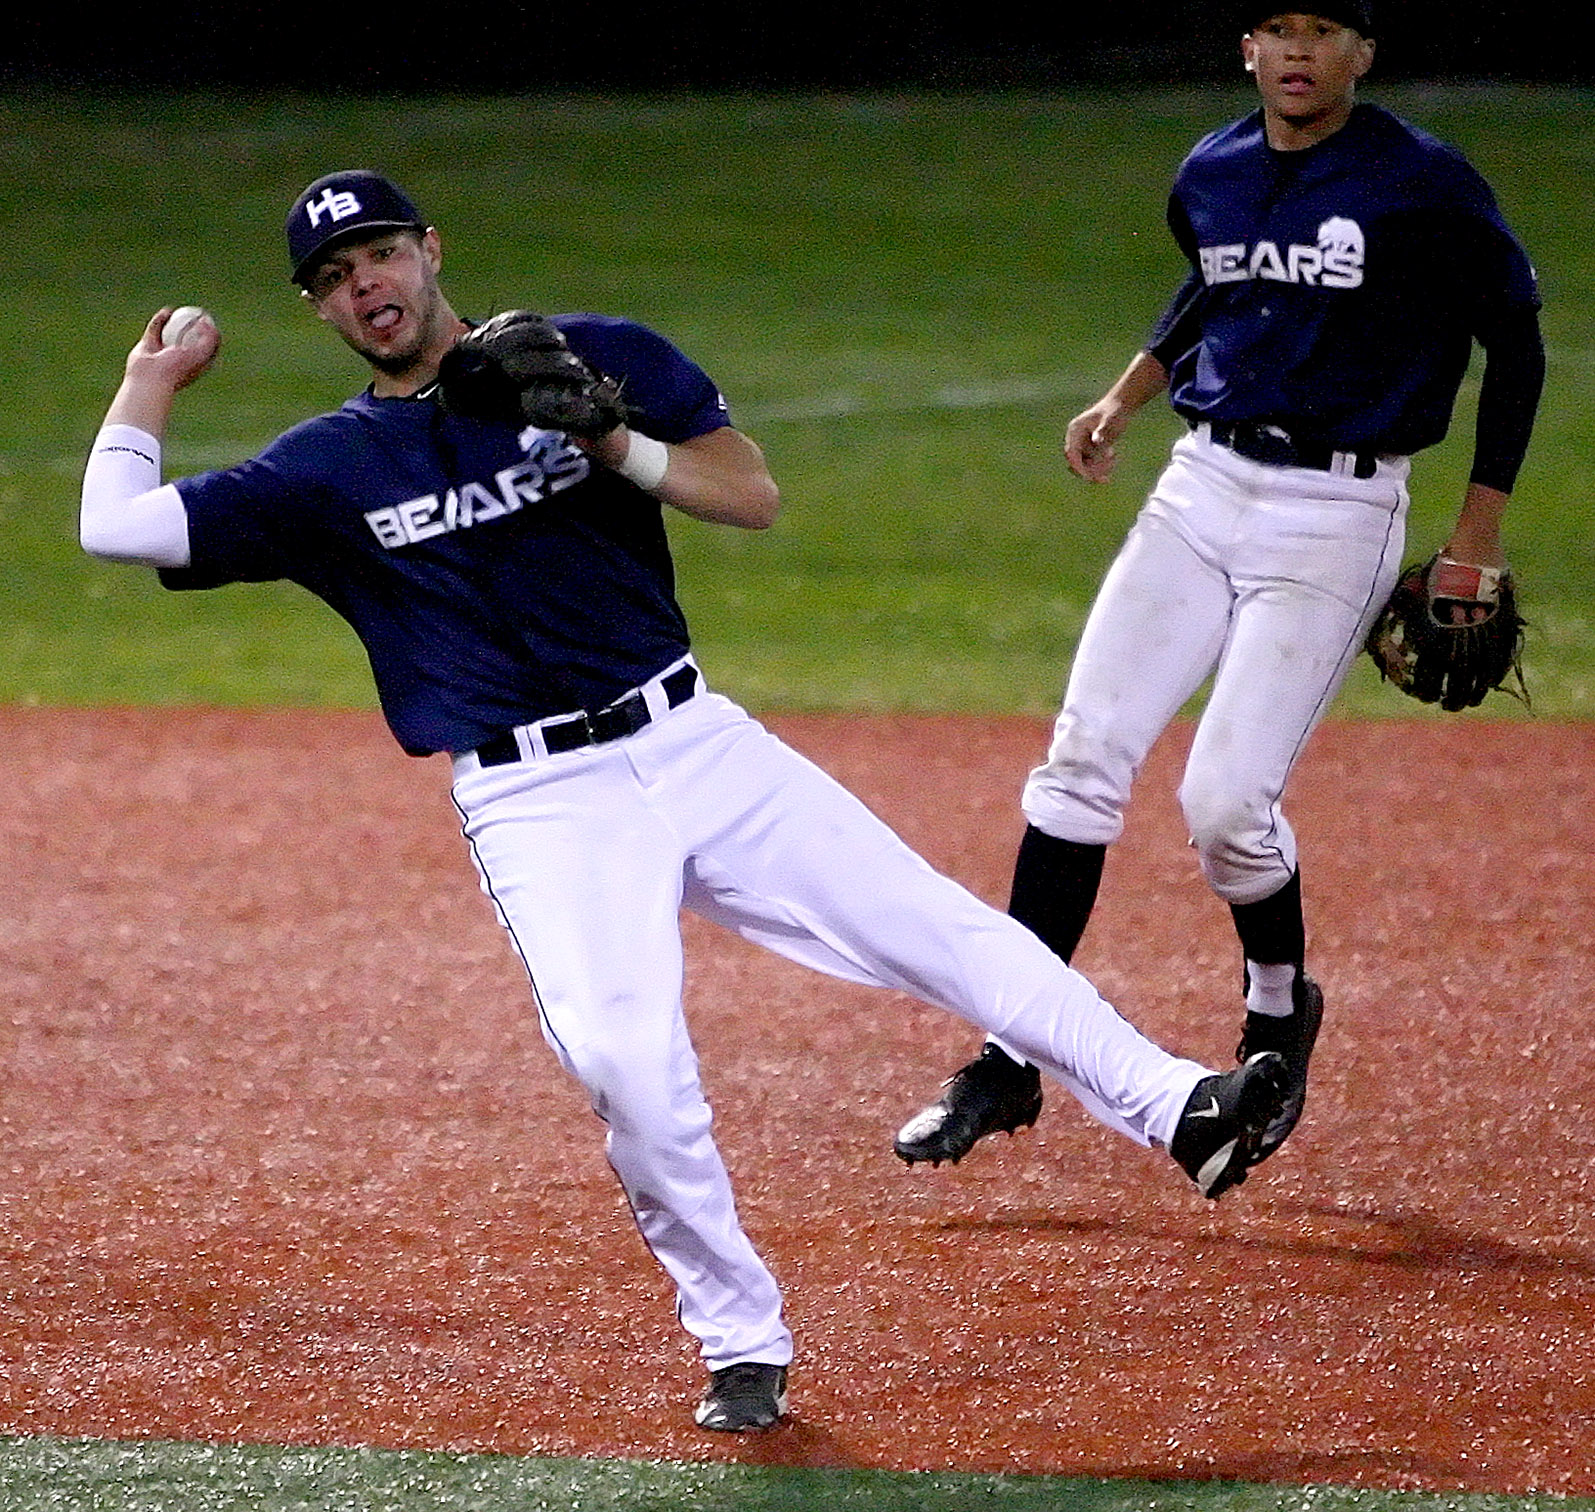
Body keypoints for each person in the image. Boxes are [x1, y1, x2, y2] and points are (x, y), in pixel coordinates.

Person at [80, 169, 1290, 1434]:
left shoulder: (587, 357)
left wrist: (612, 440)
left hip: (696, 736)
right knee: (621, 1061)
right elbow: (114, 527)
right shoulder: (325, 469)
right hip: (539, 798)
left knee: (939, 926)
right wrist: (150, 385)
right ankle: (739, 1336)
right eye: (332, 281)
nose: (363, 287)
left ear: (432, 249)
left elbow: (748, 495)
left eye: (378, 255)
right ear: (322, 313)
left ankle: (1177, 1107)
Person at [895, 0, 1544, 1170]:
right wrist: (1126, 396)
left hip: (1339, 512)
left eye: (1320, 29)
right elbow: (1212, 287)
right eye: (1272, 29)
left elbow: (1514, 343)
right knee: (1077, 766)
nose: (1295, 49)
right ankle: (1006, 1058)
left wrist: (1475, 535)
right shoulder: (1213, 170)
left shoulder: (1422, 184)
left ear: (1361, 53)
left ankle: (1274, 1011)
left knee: (1224, 808)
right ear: (1244, 49)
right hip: (1203, 485)